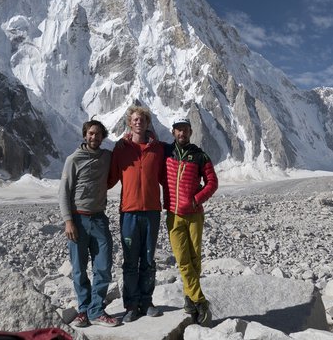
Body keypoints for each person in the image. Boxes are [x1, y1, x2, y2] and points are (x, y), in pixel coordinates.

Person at [58, 118, 120, 328]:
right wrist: (68, 221)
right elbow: (63, 192)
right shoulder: (73, 159)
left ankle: (96, 309)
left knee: (103, 266)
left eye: (98, 134)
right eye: (90, 133)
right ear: (85, 135)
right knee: (79, 268)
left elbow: (119, 167)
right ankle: (84, 309)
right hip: (78, 220)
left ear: (103, 136)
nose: (94, 137)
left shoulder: (107, 157)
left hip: (99, 218)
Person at [108, 105, 165, 323]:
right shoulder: (121, 148)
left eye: (142, 119)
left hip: (152, 211)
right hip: (129, 211)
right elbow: (111, 177)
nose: (138, 122)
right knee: (131, 261)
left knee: (149, 259)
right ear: (129, 123)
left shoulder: (158, 148)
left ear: (148, 123)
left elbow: (166, 176)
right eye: (134, 119)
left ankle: (146, 301)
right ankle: (131, 304)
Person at [162, 117, 218, 327]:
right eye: (178, 130)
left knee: (195, 260)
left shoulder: (200, 155)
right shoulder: (166, 153)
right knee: (183, 260)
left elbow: (212, 182)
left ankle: (189, 298)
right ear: (173, 132)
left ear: (190, 132)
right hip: (174, 215)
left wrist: (196, 199)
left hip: (194, 214)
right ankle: (201, 301)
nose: (181, 133)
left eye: (185, 130)